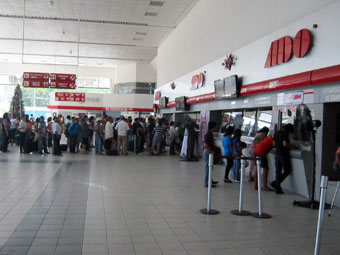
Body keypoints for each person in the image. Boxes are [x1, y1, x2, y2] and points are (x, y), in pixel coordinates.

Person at [272, 123, 297, 194]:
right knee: (287, 171)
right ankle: (276, 183)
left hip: (277, 154)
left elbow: (273, 144)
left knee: (278, 171)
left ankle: (277, 188)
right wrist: (293, 147)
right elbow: (285, 144)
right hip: (283, 154)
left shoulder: (276, 132)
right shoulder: (285, 133)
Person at [203, 121, 219, 187]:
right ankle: (206, 183)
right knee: (208, 168)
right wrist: (211, 152)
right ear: (212, 127)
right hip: (208, 152)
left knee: (210, 167)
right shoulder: (208, 134)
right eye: (215, 127)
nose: (216, 128)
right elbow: (205, 145)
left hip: (209, 152)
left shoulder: (210, 134)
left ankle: (210, 180)